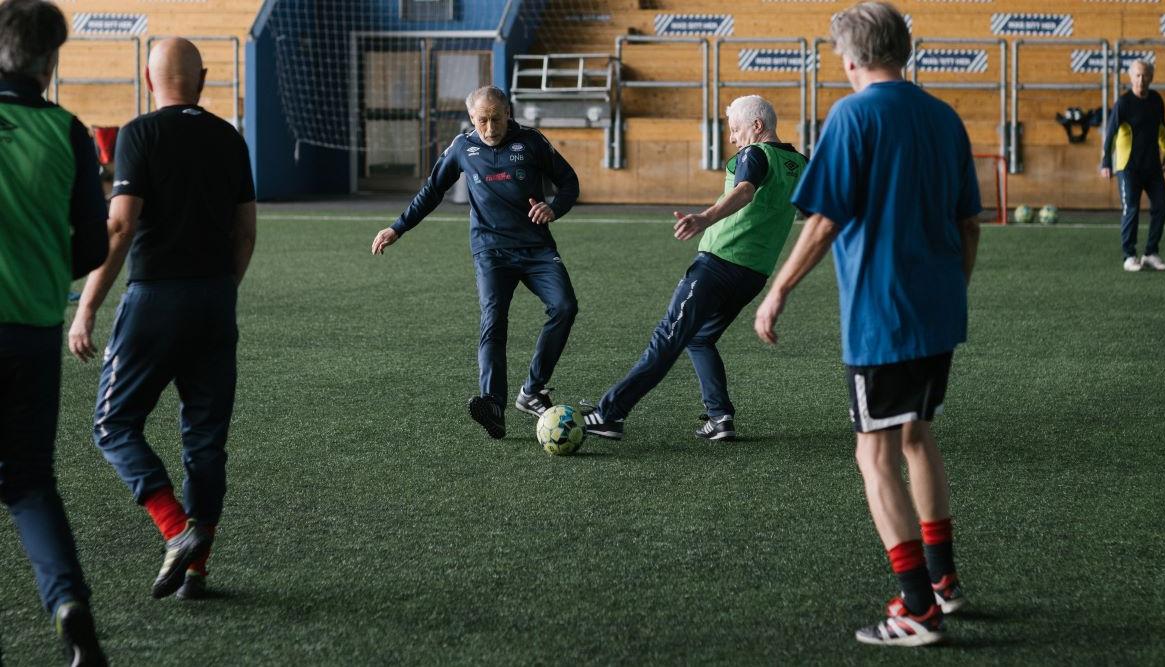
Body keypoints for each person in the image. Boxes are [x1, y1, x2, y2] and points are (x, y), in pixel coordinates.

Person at [753, 2, 980, 647]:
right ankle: (944, 583)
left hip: (883, 318)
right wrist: (950, 291)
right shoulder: (943, 117)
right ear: (902, 50)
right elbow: (969, 225)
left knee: (873, 451)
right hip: (937, 313)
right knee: (916, 436)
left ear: (849, 57)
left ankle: (917, 609)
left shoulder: (852, 115)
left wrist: (777, 294)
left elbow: (822, 220)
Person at [68, 37, 257, 601]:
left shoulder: (140, 133)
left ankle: (176, 531)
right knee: (205, 440)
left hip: (154, 301)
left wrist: (86, 307)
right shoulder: (230, 138)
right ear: (202, 77)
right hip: (215, 301)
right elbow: (246, 234)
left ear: (151, 82)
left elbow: (121, 228)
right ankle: (197, 575)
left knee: (113, 424)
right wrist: (221, 291)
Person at [582, 96, 806, 441]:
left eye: (735, 130)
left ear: (757, 126)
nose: (733, 138)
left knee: (667, 338)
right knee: (699, 338)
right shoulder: (800, 163)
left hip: (718, 265)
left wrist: (705, 217)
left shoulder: (754, 154)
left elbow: (745, 191)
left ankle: (610, 414)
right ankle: (719, 418)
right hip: (754, 275)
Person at [371, 85, 580, 438]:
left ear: (508, 113)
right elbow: (431, 191)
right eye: (482, 120)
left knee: (565, 306)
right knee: (493, 319)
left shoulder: (531, 142)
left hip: (536, 248)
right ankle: (493, 404)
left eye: (496, 118)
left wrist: (554, 207)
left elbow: (569, 182)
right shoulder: (462, 148)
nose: (489, 127)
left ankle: (532, 390)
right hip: (491, 251)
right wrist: (398, 228)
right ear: (471, 118)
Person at [0, 0, 109, 663]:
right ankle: (68, 601)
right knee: (31, 481)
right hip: (34, 331)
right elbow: (93, 246)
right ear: (48, 62)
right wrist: (45, 269)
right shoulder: (69, 133)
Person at [1100, 58, 1165, 272]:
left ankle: (1150, 253)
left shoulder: (1157, 100)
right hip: (1128, 168)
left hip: (1152, 167)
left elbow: (1162, 129)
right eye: (1137, 75)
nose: (1141, 80)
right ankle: (1129, 255)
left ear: (1152, 77)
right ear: (1130, 77)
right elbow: (1111, 133)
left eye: (1145, 75)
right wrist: (1106, 161)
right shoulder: (1123, 103)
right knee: (1131, 209)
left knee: (1162, 207)